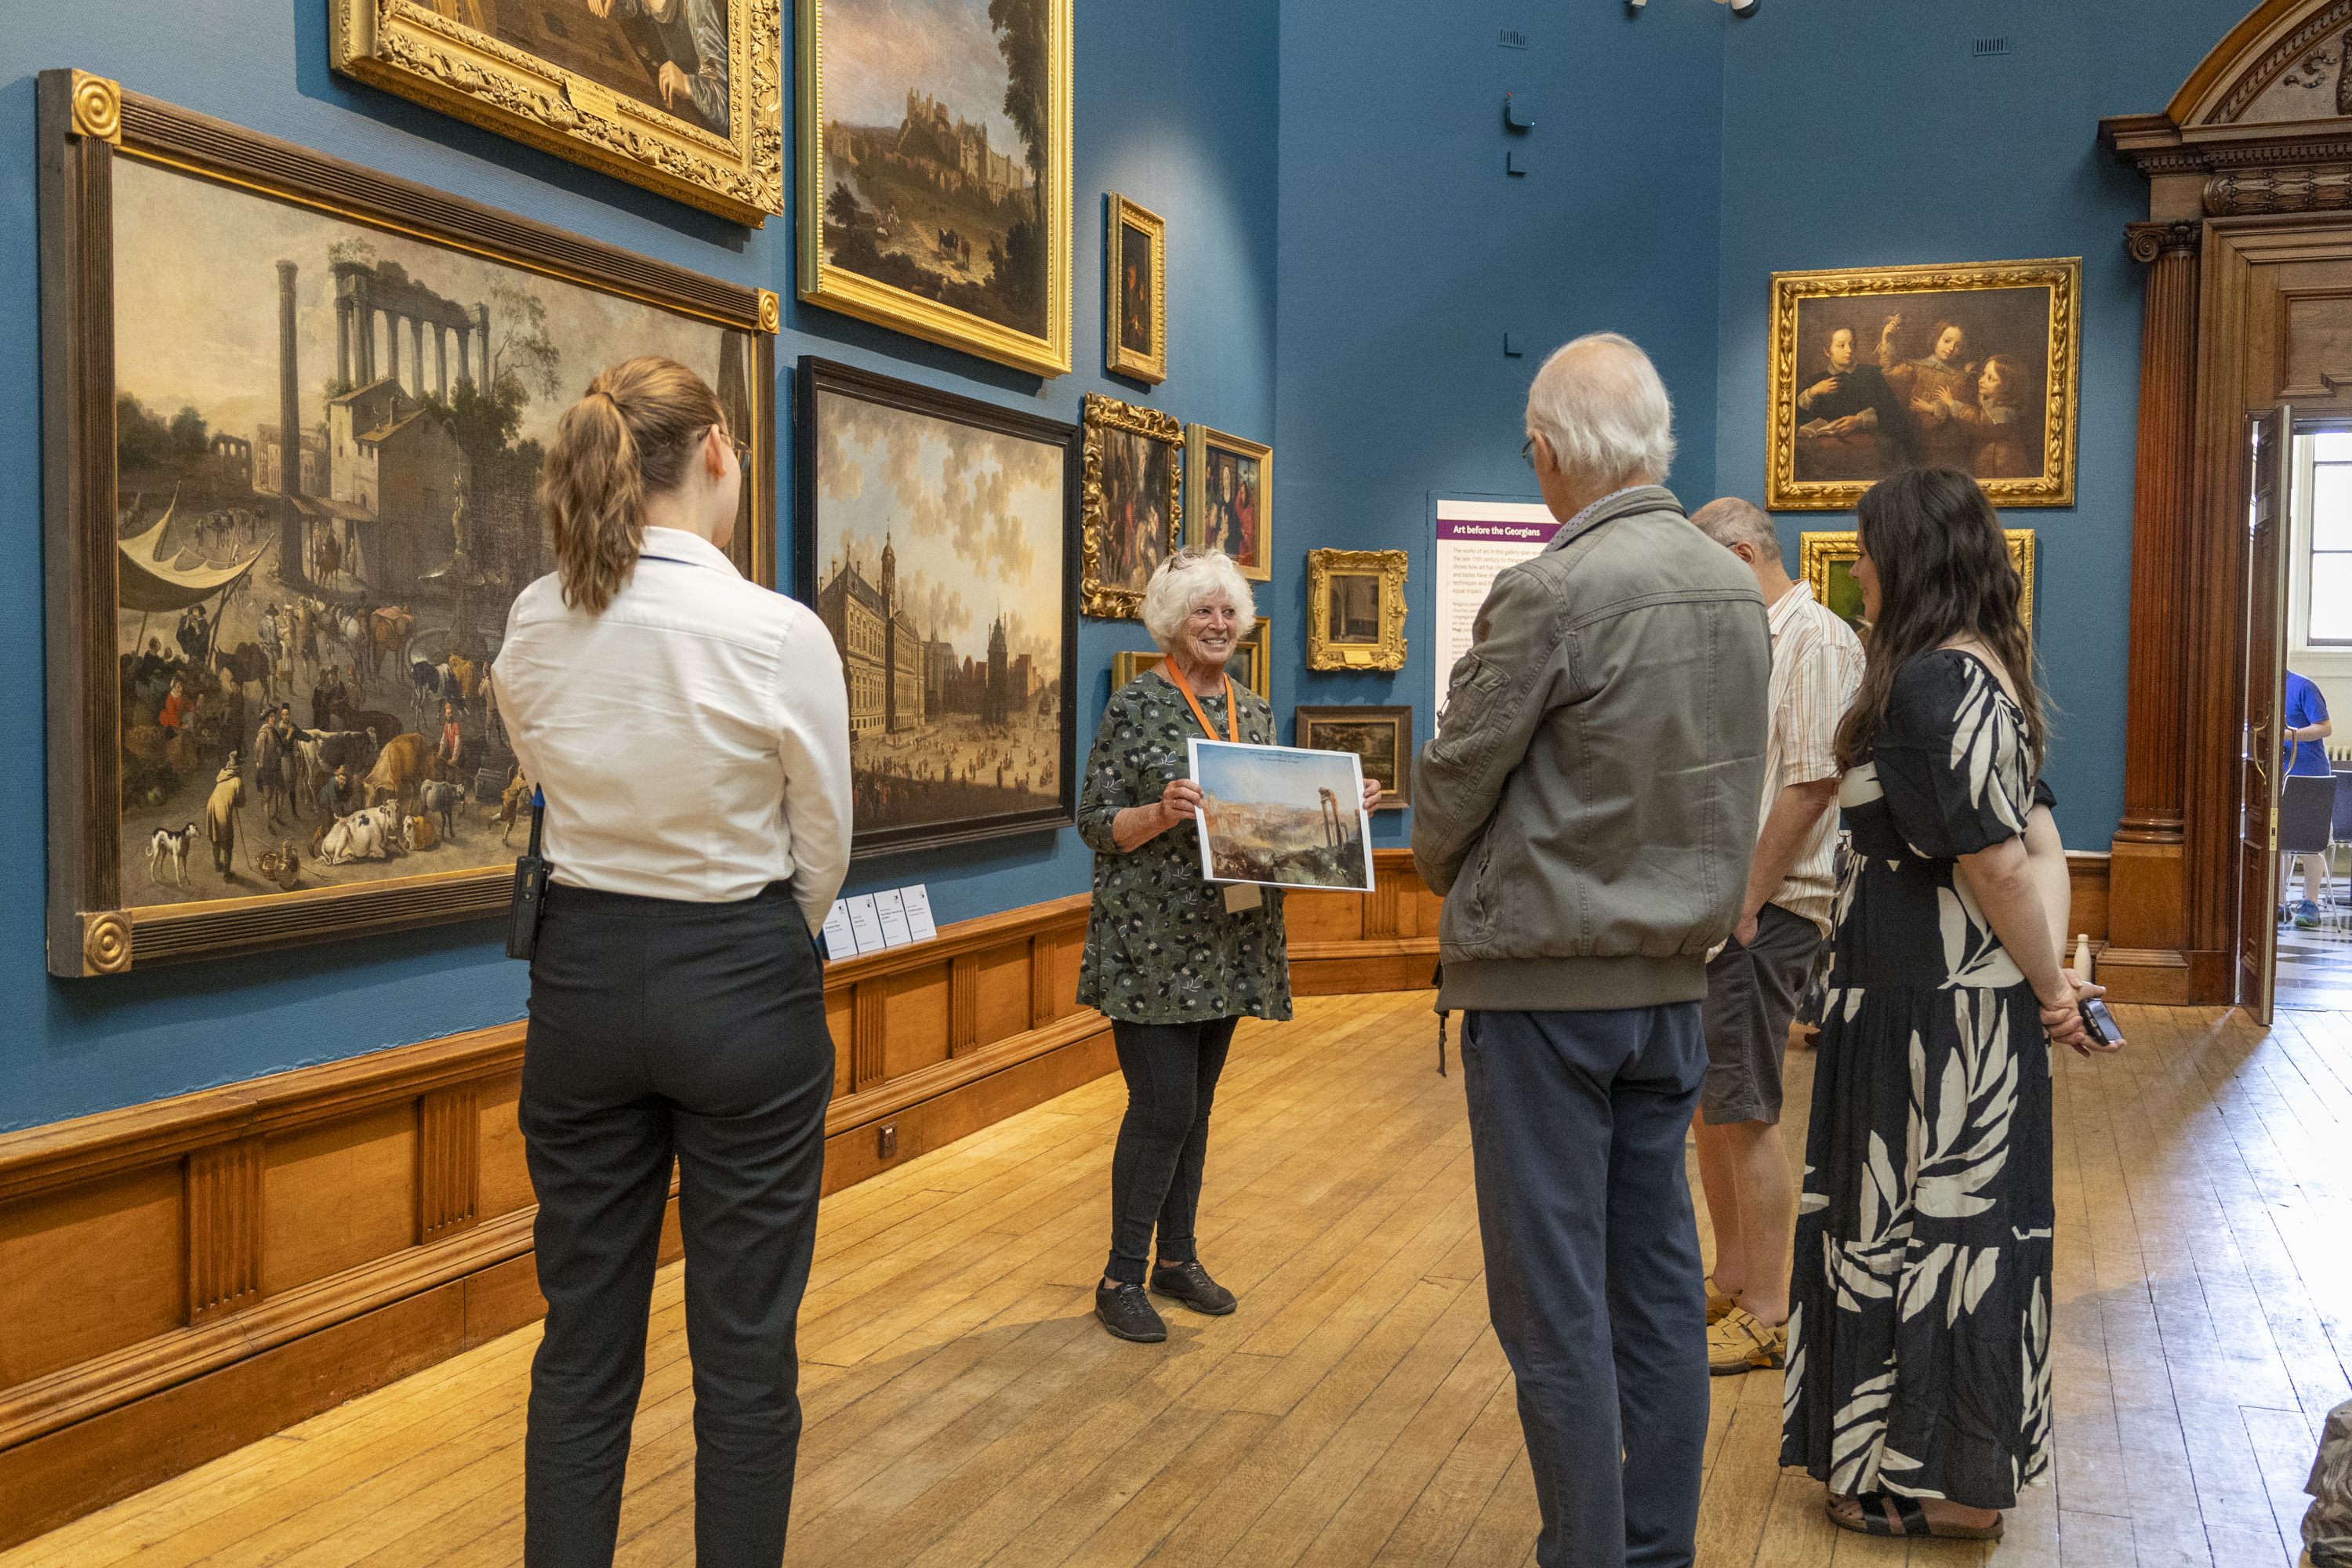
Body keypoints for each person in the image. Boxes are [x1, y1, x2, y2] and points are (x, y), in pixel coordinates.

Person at [1412, 332, 1773, 1568]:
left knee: (1553, 1303)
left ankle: (1586, 1554)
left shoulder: (1551, 590)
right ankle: (1654, 1550)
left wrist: (1440, 860)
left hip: (1545, 996)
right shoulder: (1733, 583)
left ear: (1555, 452)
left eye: (1532, 451)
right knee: (1661, 1289)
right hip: (1674, 990)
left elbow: (1457, 780)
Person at [495, 356, 851, 1566]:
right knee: (746, 1353)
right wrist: (752, 936)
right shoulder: (775, 631)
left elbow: (540, 773)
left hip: (583, 982)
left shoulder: (537, 617)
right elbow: (824, 847)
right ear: (714, 452)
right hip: (744, 978)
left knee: (581, 1349)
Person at [1781, 467, 2121, 1543]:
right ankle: (1938, 1467)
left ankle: (1952, 1487)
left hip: (1930, 1022)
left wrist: (2054, 984)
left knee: (1929, 1236)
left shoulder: (1934, 685)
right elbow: (2037, 844)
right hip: (1946, 1012)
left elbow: (2000, 863)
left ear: (1912, 562)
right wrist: (2048, 983)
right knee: (1947, 1233)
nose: (1861, 570)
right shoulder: (1982, 679)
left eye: (1870, 552)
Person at [1076, 549, 1379, 1345]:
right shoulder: (1136, 706)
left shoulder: (1256, 711)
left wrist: (1341, 811)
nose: (1218, 624)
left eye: (1228, 612)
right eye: (1202, 611)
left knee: (1197, 1107)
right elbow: (1093, 823)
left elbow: (1274, 838)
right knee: (1164, 1104)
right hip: (1150, 943)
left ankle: (1176, 1259)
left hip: (1230, 936)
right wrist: (1158, 810)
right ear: (1174, 621)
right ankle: (1119, 1274)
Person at [1685, 497, 1864, 1379]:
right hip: (1733, 906)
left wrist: (1749, 902)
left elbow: (1811, 783)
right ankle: (1732, 1274)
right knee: (1713, 1100)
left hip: (1773, 903)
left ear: (1746, 552)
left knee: (1747, 1107)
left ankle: (1769, 1306)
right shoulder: (1755, 634)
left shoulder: (1818, 638)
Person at [1795, 326, 1915, 463]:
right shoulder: (1816, 381)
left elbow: (1895, 415)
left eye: (1852, 344)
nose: (1849, 350)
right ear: (1827, 352)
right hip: (1829, 457)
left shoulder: (1871, 374)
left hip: (1869, 454)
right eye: (1842, 345)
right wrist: (1812, 392)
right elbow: (1796, 419)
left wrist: (1859, 420)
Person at [2283, 668, 2335, 927]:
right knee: (2275, 840)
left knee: (2312, 843)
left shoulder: (2303, 687)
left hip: (2310, 776)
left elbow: (2325, 728)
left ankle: (2310, 903)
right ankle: (2278, 902)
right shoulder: (2258, 691)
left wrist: (2289, 734)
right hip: (2279, 777)